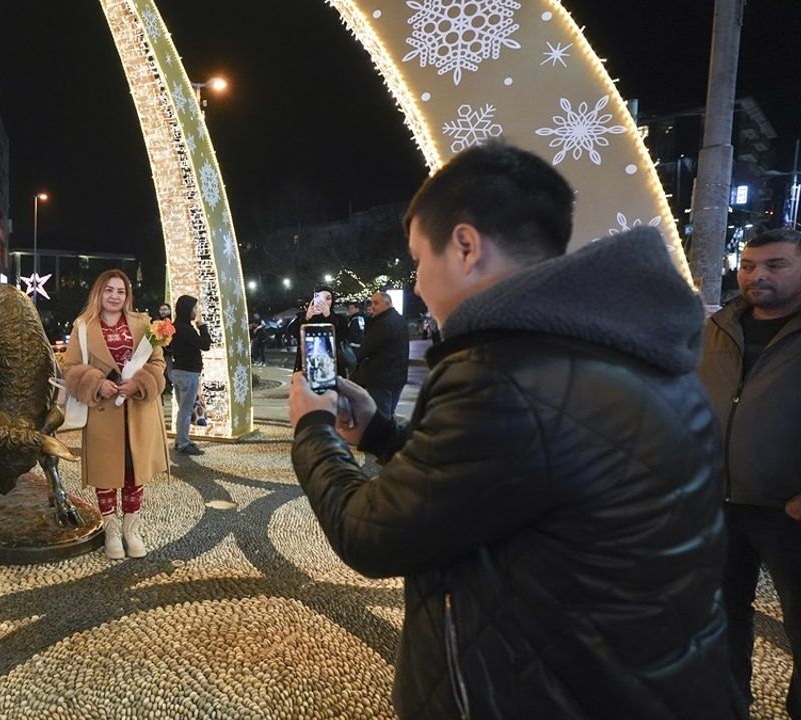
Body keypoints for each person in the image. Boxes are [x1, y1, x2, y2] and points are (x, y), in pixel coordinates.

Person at [288, 143, 741, 718]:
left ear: (465, 245)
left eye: (418, 261)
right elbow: (508, 481)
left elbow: (372, 535)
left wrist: (313, 429)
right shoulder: (626, 346)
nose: (419, 284)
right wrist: (380, 435)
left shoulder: (504, 376)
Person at [698, 227, 801, 719]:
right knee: (720, 618)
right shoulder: (718, 326)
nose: (757, 275)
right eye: (748, 265)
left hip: (790, 509)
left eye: (775, 265)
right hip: (718, 502)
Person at [62, 270, 168, 560]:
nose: (114, 296)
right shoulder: (83, 327)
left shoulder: (143, 323)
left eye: (120, 291)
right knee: (106, 473)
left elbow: (158, 363)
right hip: (102, 413)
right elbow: (69, 367)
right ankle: (111, 529)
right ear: (99, 292)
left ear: (127, 295)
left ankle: (131, 529)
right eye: (109, 290)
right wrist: (95, 383)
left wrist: (141, 382)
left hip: (137, 411)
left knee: (135, 471)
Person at [349, 291, 409, 418]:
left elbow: (367, 348)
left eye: (376, 303)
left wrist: (352, 360)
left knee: (380, 419)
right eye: (371, 303)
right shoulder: (399, 319)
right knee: (388, 415)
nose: (372, 306)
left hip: (381, 379)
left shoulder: (383, 323)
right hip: (396, 377)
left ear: (387, 304)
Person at [169, 294, 211, 456]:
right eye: (194, 308)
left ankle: (181, 439)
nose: (196, 311)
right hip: (188, 373)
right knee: (185, 411)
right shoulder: (186, 329)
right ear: (187, 310)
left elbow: (169, 347)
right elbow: (205, 345)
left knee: (183, 409)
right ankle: (183, 444)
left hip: (178, 371)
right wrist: (203, 328)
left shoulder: (174, 327)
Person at [286, 285, 349, 375]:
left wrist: (329, 317)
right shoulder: (304, 316)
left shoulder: (339, 319)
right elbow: (291, 330)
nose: (324, 302)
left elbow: (342, 335)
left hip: (332, 366)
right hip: (308, 365)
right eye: (321, 298)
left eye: (328, 298)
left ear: (332, 301)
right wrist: (306, 317)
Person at [155, 302, 174, 394]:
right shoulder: (157, 322)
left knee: (171, 373)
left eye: (165, 309)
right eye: (161, 310)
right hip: (161, 351)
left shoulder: (172, 321)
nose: (162, 311)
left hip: (170, 352)